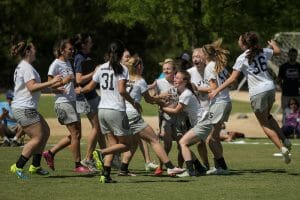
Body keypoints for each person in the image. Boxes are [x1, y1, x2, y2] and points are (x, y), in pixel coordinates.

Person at [209, 31, 292, 164]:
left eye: (239, 40)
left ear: (243, 44)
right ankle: (285, 139)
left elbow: (232, 78)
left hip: (258, 92)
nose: (238, 41)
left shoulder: (242, 58)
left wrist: (216, 90)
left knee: (264, 123)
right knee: (268, 116)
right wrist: (273, 44)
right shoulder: (263, 51)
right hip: (270, 88)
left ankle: (282, 148)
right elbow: (277, 51)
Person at [75, 40, 142, 183]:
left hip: (102, 110)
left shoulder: (101, 68)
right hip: (116, 110)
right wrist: (134, 102)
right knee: (126, 145)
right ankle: (100, 154)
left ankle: (105, 175)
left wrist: (80, 89)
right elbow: (122, 91)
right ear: (120, 54)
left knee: (113, 144)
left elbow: (89, 87)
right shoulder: (122, 69)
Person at [118, 55, 186, 176]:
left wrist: (159, 98)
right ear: (139, 66)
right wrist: (161, 98)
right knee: (154, 139)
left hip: (121, 113)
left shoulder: (124, 78)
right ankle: (170, 167)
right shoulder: (140, 80)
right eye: (142, 65)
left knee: (133, 143)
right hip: (133, 114)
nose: (143, 67)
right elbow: (149, 99)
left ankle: (123, 169)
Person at [9, 40, 62, 179]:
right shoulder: (26, 67)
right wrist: (52, 81)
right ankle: (18, 166)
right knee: (37, 137)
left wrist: (54, 89)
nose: (35, 51)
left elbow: (36, 87)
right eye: (33, 49)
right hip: (24, 108)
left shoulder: (25, 67)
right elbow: (32, 87)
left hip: (25, 107)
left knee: (45, 132)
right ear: (27, 52)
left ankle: (35, 165)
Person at [43, 39, 90, 173]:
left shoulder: (69, 62)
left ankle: (50, 153)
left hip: (72, 101)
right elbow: (49, 86)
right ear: (62, 50)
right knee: (75, 134)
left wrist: (73, 87)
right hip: (63, 102)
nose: (72, 51)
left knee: (77, 134)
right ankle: (78, 165)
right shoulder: (55, 64)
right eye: (69, 49)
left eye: (72, 49)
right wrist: (64, 81)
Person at [161, 70, 208, 177]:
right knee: (182, 145)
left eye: (177, 78)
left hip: (203, 122)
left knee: (182, 143)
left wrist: (162, 107)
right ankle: (200, 168)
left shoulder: (186, 94)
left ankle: (190, 171)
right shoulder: (184, 92)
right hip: (202, 122)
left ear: (185, 81)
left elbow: (176, 111)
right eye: (175, 77)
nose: (174, 79)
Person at [72, 33, 104, 172]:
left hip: (91, 95)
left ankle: (106, 155)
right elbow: (78, 79)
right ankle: (88, 158)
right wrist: (95, 72)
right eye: (89, 42)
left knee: (100, 127)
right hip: (86, 97)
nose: (92, 44)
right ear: (83, 44)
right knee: (96, 127)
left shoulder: (85, 57)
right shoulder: (79, 58)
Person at [150, 58, 187, 175]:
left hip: (180, 117)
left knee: (182, 144)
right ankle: (160, 167)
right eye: (164, 69)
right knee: (167, 144)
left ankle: (180, 168)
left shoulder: (179, 81)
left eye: (168, 69)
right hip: (165, 117)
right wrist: (161, 97)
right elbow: (153, 98)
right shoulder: (159, 82)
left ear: (174, 70)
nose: (166, 71)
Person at [187, 48, 210, 169]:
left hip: (211, 109)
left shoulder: (211, 69)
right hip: (196, 113)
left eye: (198, 56)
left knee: (211, 139)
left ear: (205, 57)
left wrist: (197, 89)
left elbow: (216, 87)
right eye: (194, 57)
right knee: (200, 142)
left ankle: (219, 165)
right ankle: (206, 165)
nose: (196, 59)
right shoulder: (189, 73)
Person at [277, 48, 300, 122]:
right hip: (285, 94)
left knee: (297, 113)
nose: (292, 56)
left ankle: (296, 130)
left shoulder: (299, 66)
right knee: (286, 112)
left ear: (296, 55)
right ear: (288, 55)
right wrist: (281, 87)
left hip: (296, 93)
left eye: (294, 55)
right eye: (291, 54)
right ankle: (285, 130)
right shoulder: (283, 66)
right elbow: (278, 79)